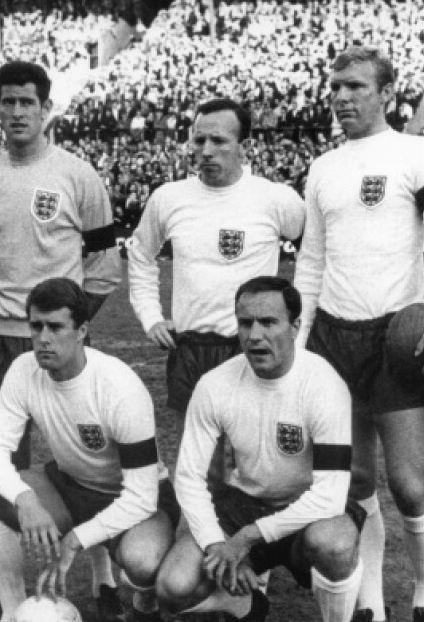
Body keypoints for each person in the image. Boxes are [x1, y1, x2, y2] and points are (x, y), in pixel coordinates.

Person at [294, 46, 424, 622]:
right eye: (335, 86)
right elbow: (310, 263)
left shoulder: (418, 153)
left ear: (386, 93)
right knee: (355, 481)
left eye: (356, 87)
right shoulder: (321, 168)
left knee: (410, 483)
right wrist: (297, 345)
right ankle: (372, 612)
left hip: (398, 334)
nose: (342, 97)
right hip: (333, 339)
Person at [0, 60, 123, 621]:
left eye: (28, 101)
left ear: (47, 108)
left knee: (84, 459)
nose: (18, 111)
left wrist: (70, 322)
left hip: (63, 345)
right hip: (1, 339)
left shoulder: (78, 175)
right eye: (8, 102)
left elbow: (104, 262)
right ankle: (3, 581)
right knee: (5, 465)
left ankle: (102, 569)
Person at [157, 276, 362, 622]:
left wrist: (246, 539)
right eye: (245, 323)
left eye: (268, 322)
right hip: (243, 504)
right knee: (173, 588)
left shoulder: (324, 385)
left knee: (336, 542)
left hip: (307, 512)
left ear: (295, 325)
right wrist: (217, 545)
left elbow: (328, 494)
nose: (254, 335)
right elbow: (189, 477)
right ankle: (246, 607)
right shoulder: (215, 384)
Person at [0, 278, 177, 622]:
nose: (42, 338)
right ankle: (12, 618)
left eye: (55, 327)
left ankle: (146, 612)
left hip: (137, 501)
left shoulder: (120, 387)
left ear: (82, 331)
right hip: (70, 486)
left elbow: (141, 496)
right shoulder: (24, 369)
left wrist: (75, 539)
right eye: (36, 326)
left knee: (142, 561)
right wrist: (24, 499)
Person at [127, 96, 305, 415]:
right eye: (199, 140)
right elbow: (140, 255)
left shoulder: (276, 199)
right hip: (189, 348)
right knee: (196, 457)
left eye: (219, 140)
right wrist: (150, 317)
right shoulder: (168, 198)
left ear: (243, 146)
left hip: (252, 345)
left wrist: (297, 322)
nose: (206, 151)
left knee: (252, 454)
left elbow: (315, 254)